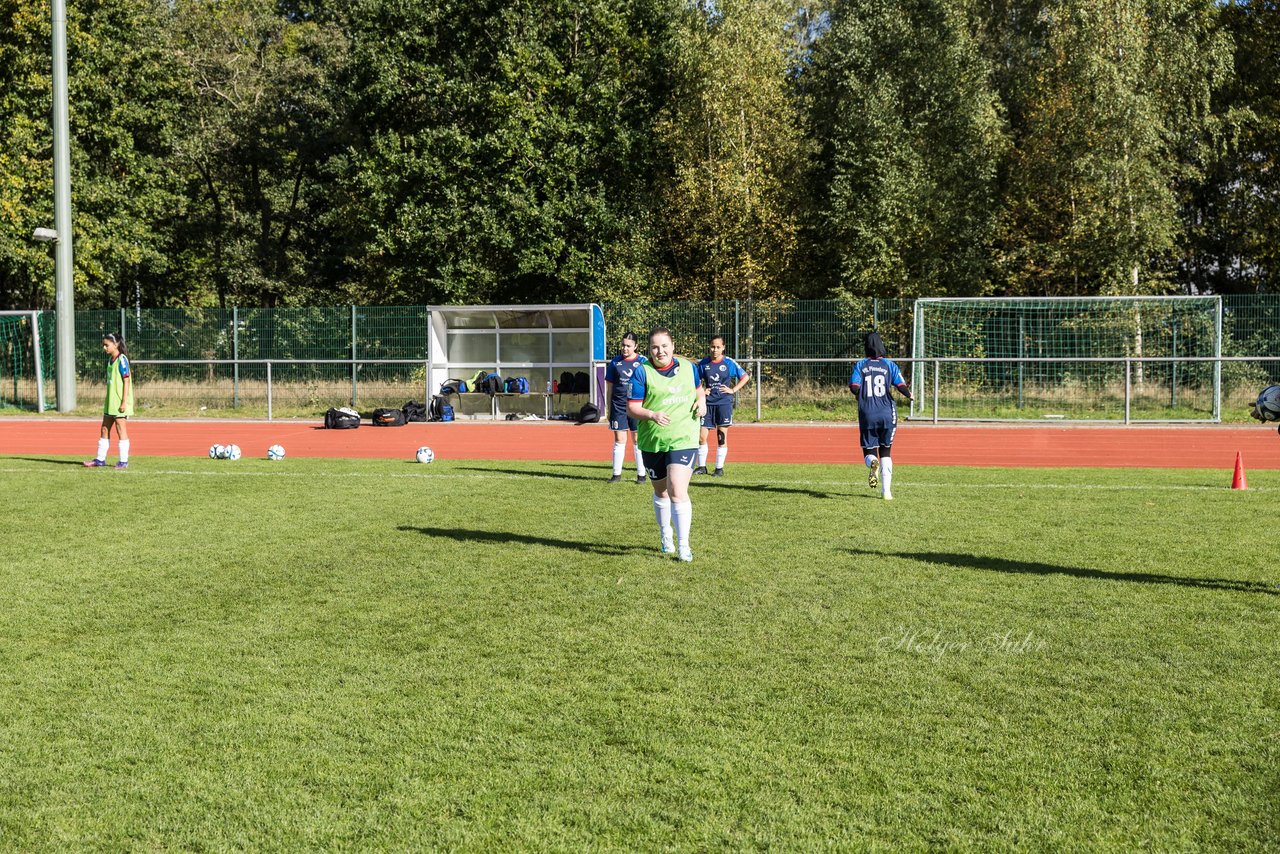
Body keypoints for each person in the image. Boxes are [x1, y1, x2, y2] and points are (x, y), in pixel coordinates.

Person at [628, 327, 707, 562]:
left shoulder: (689, 368)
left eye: (664, 346)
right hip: (653, 441)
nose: (660, 351)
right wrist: (652, 415)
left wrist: (701, 403)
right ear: (649, 350)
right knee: (661, 490)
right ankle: (666, 536)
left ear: (673, 346)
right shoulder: (642, 373)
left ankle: (684, 546)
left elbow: (699, 391)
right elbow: (631, 407)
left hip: (683, 437)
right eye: (654, 347)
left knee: (677, 489)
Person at [849, 331, 912, 500]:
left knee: (869, 451)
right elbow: (900, 385)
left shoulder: (861, 364)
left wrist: (860, 393)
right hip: (887, 413)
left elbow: (854, 387)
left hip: (867, 413)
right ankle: (886, 492)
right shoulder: (890, 365)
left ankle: (871, 463)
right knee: (886, 450)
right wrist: (909, 395)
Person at [695, 335, 751, 477]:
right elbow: (694, 380)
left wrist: (733, 390)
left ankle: (719, 468)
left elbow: (745, 377)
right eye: (712, 347)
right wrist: (702, 390)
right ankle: (702, 467)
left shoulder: (728, 363)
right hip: (707, 404)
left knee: (721, 436)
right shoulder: (703, 363)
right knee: (701, 437)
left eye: (718, 347)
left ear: (723, 348)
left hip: (723, 403)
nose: (715, 350)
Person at [84, 332, 134, 469]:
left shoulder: (121, 359)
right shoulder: (110, 360)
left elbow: (127, 381)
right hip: (110, 401)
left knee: (120, 429)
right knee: (104, 428)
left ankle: (124, 461)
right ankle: (100, 459)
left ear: (116, 344)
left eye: (106, 345)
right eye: (103, 345)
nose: (104, 348)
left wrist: (124, 402)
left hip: (119, 401)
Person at [603, 332, 649, 483]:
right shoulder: (615, 363)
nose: (625, 348)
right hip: (619, 406)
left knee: (637, 439)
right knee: (619, 439)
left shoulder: (643, 362)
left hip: (637, 406)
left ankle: (641, 475)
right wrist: (608, 408)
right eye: (623, 345)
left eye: (628, 346)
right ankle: (616, 474)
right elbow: (609, 387)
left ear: (636, 346)